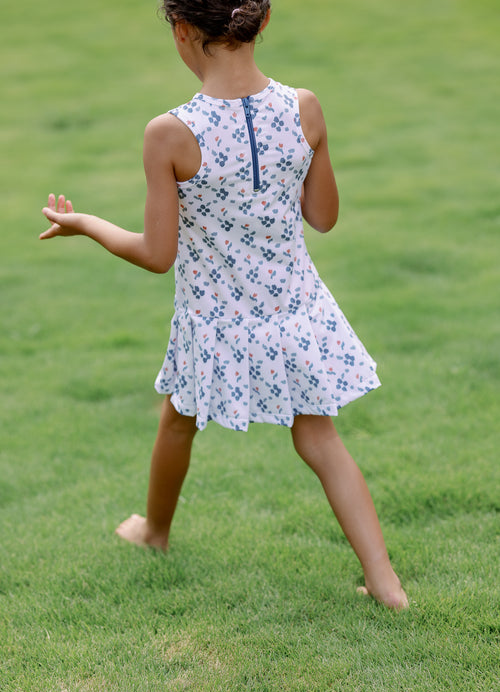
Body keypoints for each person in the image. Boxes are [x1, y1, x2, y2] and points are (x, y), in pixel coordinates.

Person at [40, 0, 408, 609]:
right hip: (293, 309)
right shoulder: (304, 107)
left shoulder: (170, 132)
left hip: (215, 320)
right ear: (262, 23)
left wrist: (85, 223)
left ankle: (154, 532)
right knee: (319, 437)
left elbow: (158, 254)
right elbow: (324, 217)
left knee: (178, 419)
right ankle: (385, 582)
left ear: (182, 31)